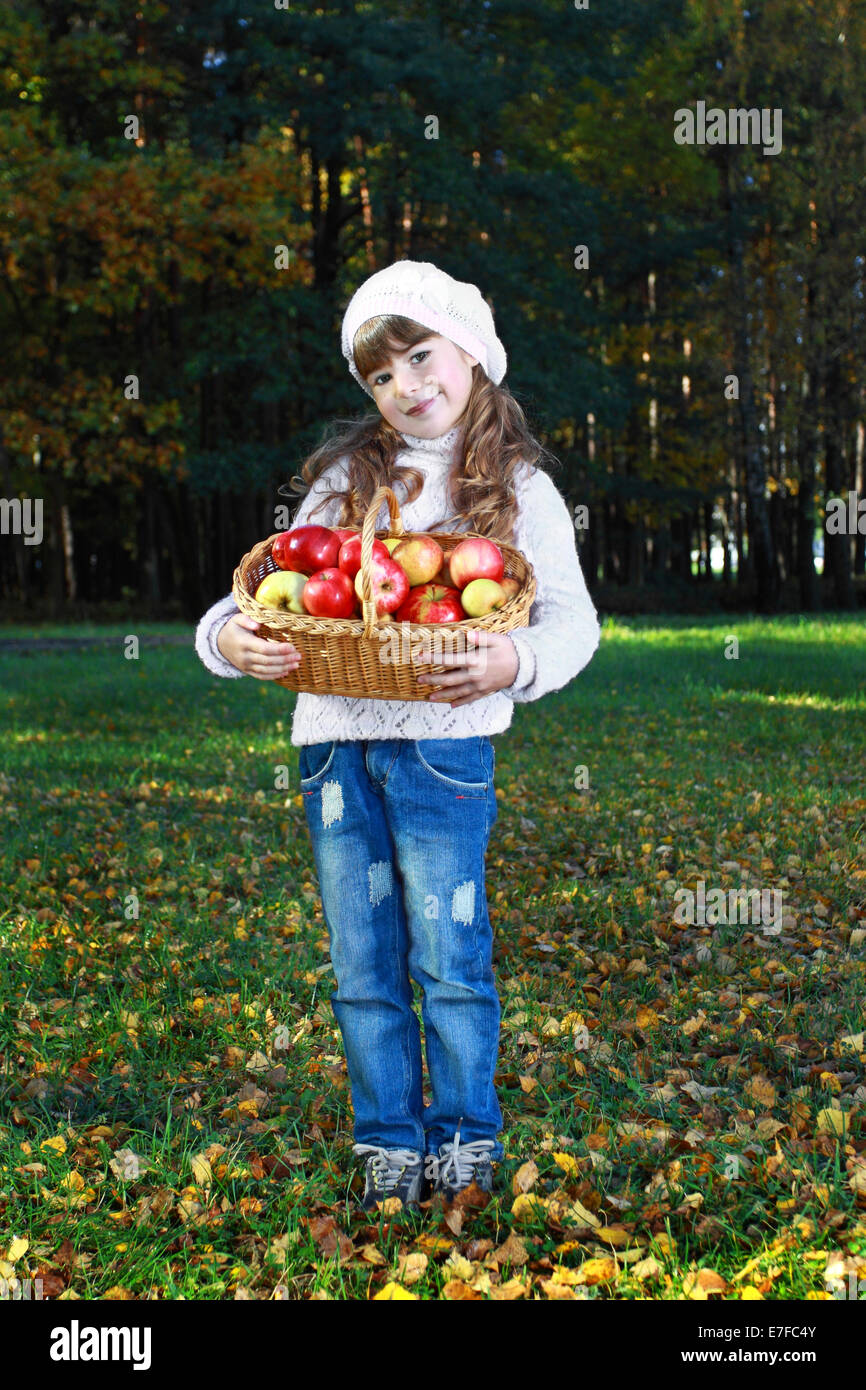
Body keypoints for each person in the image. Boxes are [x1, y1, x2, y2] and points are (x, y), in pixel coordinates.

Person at [195, 260, 601, 1212]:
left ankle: (464, 1135)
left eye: (419, 357)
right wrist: (229, 637)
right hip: (333, 747)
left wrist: (514, 665)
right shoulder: (348, 478)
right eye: (380, 376)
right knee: (362, 961)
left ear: (471, 351)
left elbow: (574, 622)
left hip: (443, 752)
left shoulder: (520, 487)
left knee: (449, 957)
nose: (406, 386)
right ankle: (387, 1137)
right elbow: (270, 584)